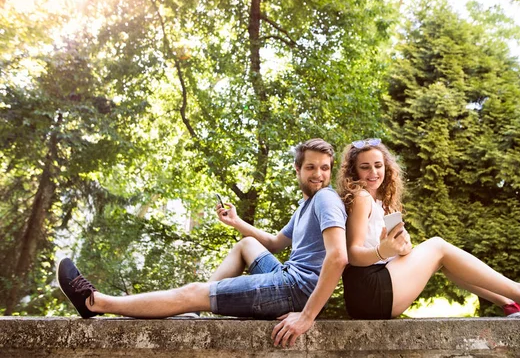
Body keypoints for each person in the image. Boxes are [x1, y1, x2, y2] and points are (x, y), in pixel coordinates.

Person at [57, 138, 348, 348]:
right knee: (246, 244)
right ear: (298, 170)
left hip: (296, 290)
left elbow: (338, 257)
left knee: (194, 291)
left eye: (324, 168)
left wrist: (307, 317)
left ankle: (96, 302)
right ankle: (195, 310)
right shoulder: (305, 205)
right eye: (311, 167)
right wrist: (236, 222)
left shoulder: (325, 198)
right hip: (289, 279)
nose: (319, 175)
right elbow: (273, 243)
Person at [336, 138, 520, 320]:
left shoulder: (380, 203)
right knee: (438, 246)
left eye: (378, 165)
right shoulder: (361, 197)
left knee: (443, 261)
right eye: (365, 167)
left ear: (386, 167)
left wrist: (401, 247)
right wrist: (383, 251)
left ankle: (509, 303)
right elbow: (353, 255)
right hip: (368, 290)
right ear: (354, 172)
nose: (373, 172)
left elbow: (390, 252)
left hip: (372, 291)